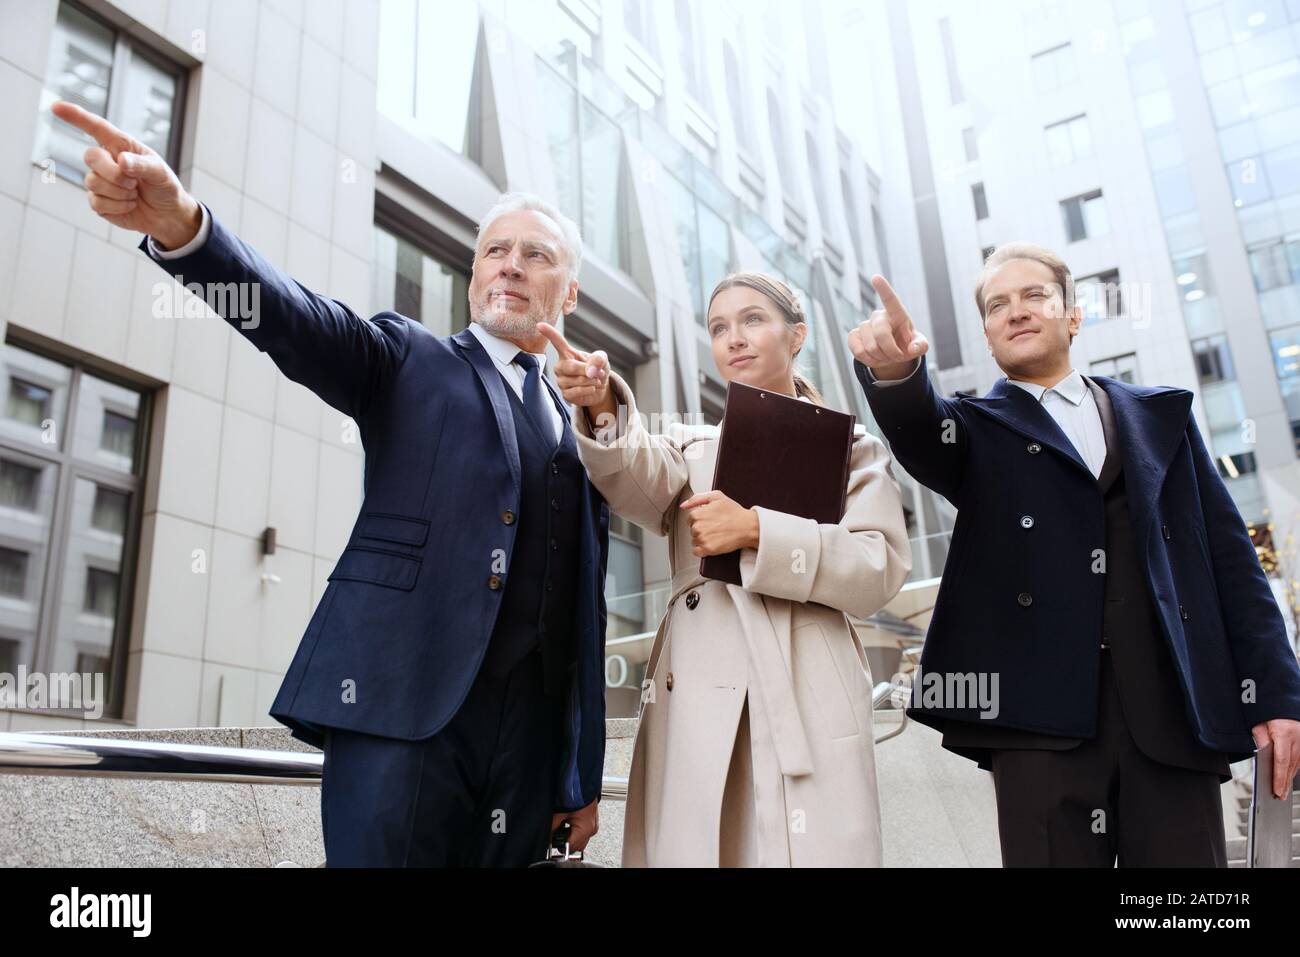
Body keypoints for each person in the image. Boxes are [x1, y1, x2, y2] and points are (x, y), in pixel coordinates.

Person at [53, 99, 609, 867]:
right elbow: (292, 318)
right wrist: (187, 230)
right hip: (398, 709)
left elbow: (584, 604)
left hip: (530, 742)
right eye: (494, 251)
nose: (510, 264)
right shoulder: (406, 358)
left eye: (536, 255)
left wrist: (576, 769)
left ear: (569, 294)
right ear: (475, 271)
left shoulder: (584, 421)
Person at [849, 243, 1300, 866]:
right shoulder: (972, 429)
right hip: (1040, 726)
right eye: (998, 305)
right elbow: (921, 428)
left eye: (1034, 295)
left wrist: (1276, 697)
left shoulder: (1161, 418)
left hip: (1170, 709)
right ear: (986, 335)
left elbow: (1232, 564)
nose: (1017, 311)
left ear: (1074, 316)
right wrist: (897, 373)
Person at [544, 271, 912, 866]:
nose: (733, 339)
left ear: (797, 336)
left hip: (806, 692)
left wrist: (757, 532)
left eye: (752, 320)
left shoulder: (851, 448)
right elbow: (633, 473)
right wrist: (601, 403)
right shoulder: (688, 448)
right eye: (718, 328)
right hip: (698, 696)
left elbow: (877, 567)